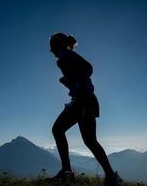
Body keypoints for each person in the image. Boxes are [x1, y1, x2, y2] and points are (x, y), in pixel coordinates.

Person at [49, 32, 121, 186]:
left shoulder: (64, 57)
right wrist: (72, 81)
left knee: (57, 130)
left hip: (82, 100)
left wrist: (73, 82)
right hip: (88, 99)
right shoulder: (69, 56)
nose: (50, 51)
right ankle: (110, 176)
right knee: (90, 140)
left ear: (57, 45)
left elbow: (87, 69)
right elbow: (86, 70)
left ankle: (67, 172)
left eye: (51, 47)